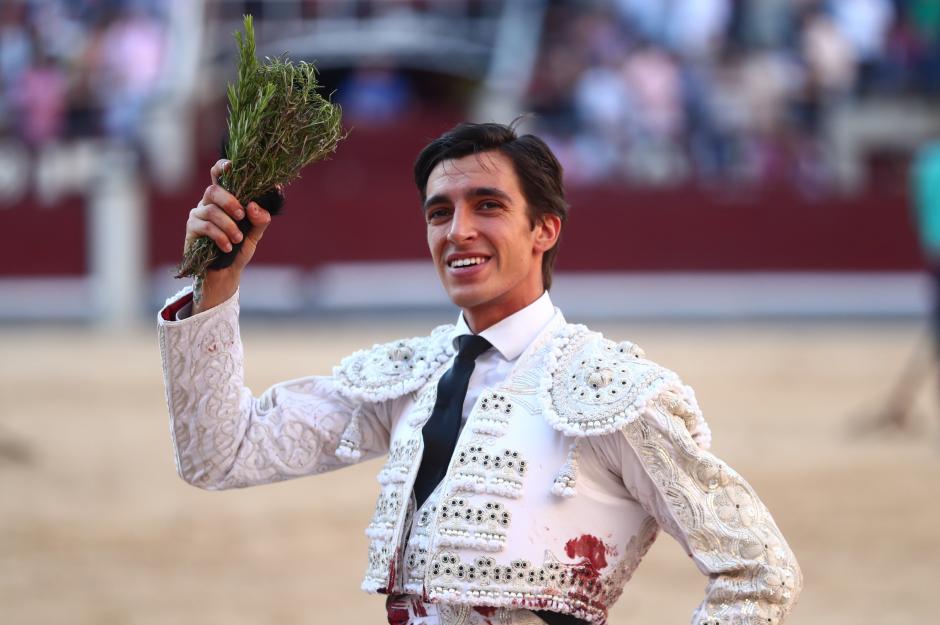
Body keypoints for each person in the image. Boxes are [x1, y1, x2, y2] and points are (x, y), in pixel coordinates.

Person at [158, 122, 802, 625]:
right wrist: (220, 281)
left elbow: (757, 568)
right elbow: (221, 453)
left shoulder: (609, 392)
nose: (459, 231)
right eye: (440, 213)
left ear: (544, 229)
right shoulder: (410, 376)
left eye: (487, 205)